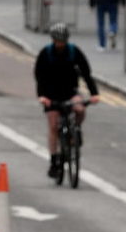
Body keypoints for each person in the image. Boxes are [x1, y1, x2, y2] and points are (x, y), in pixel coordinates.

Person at [33, 22, 99, 182]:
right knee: (54, 125)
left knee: (80, 109)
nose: (61, 44)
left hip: (70, 92)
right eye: (58, 41)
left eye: (63, 41)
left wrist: (94, 93)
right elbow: (39, 76)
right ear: (53, 40)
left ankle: (75, 131)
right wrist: (42, 96)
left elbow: (86, 73)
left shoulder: (74, 52)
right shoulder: (46, 54)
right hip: (51, 95)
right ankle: (54, 160)